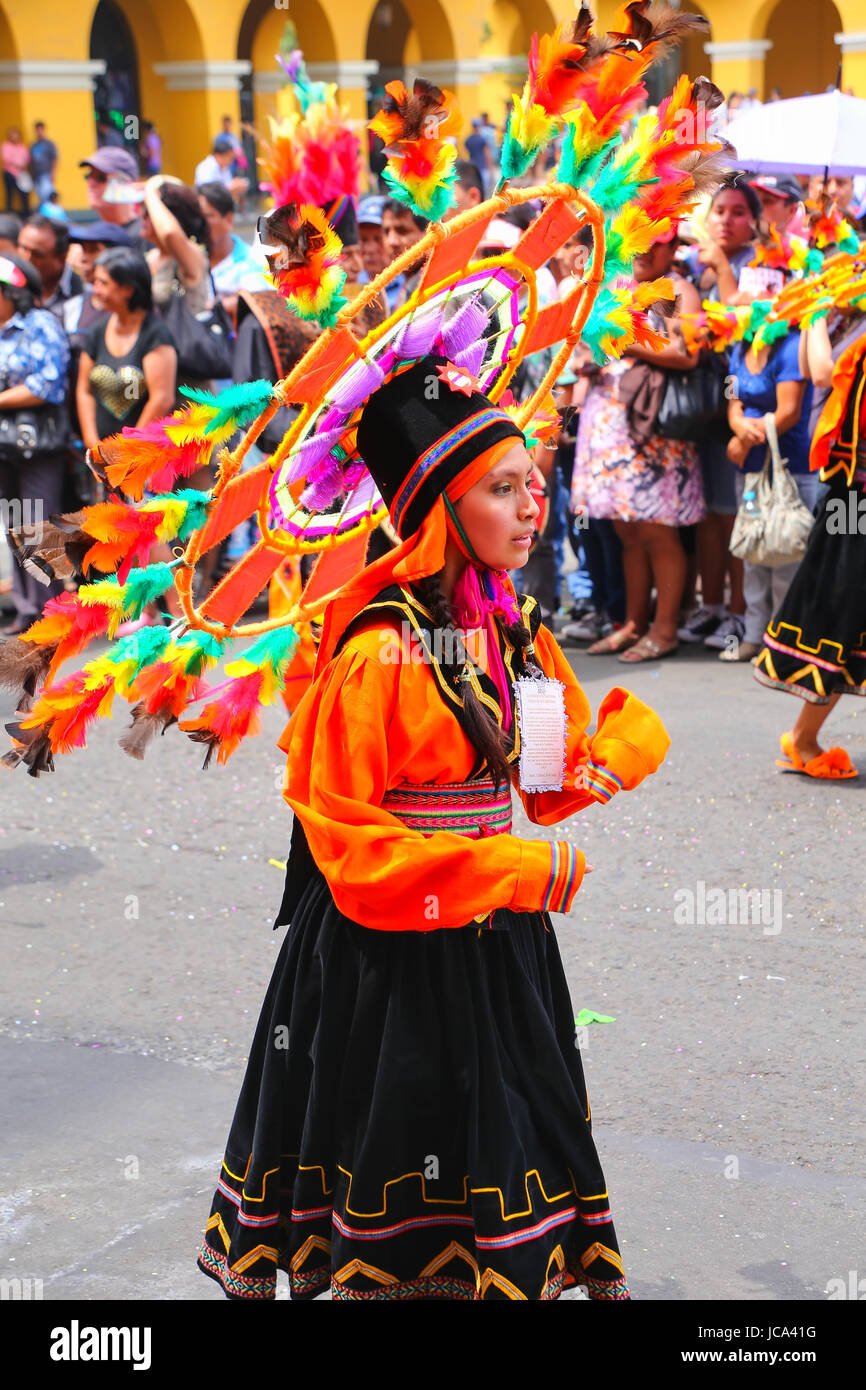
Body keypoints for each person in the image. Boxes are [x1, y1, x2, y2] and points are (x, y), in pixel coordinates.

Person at [196, 352, 671, 1302]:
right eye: (502, 489)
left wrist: (607, 755)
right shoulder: (378, 652)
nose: (533, 506)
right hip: (390, 953)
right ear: (441, 511)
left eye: (535, 484)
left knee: (503, 1133)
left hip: (497, 935)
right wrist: (502, 872)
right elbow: (343, 839)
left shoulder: (512, 624)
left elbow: (543, 778)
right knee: (403, 1150)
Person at [570, 228, 705, 660]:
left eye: (656, 243)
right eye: (639, 241)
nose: (645, 251)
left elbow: (687, 353)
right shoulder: (614, 285)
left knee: (657, 531)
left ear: (672, 248)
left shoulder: (679, 289)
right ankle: (633, 623)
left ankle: (664, 629)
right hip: (610, 425)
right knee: (626, 530)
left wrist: (629, 342)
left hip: (654, 431)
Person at [753, 313, 866, 775]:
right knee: (840, 605)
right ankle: (803, 738)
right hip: (853, 495)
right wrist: (817, 314)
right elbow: (820, 373)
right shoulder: (843, 316)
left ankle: (804, 736)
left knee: (849, 608)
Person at [678, 178, 761, 649]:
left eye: (737, 212)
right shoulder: (691, 265)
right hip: (699, 404)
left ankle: (740, 611)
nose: (726, 220)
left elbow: (742, 322)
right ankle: (710, 605)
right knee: (709, 512)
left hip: (740, 400)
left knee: (733, 512)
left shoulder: (764, 266)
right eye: (719, 211)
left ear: (754, 221)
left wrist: (724, 269)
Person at [725, 326, 819, 663]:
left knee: (785, 556)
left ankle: (781, 640)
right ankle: (753, 636)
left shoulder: (791, 346)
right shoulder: (739, 346)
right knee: (753, 551)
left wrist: (744, 439)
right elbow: (731, 397)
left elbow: (789, 411)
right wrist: (736, 425)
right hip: (749, 473)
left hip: (790, 468)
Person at [0, 252, 71, 634]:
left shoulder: (39, 324)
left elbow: (47, 384)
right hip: (4, 445)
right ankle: (27, 609)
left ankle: (52, 609)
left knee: (37, 522)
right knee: (14, 518)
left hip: (37, 443)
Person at [197, 182, 266, 327]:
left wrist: (219, 307)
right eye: (198, 217)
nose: (201, 224)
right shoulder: (193, 258)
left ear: (228, 219)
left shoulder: (250, 261)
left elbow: (257, 302)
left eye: (208, 216)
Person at [78, 147, 149, 252]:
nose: (91, 183)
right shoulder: (94, 234)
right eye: (89, 176)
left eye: (100, 177)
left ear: (127, 184)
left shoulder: (144, 234)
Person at [17, 215, 82, 320]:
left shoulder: (83, 294)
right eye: (23, 249)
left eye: (37, 254)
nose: (26, 259)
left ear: (61, 259)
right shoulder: (8, 287)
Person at [381, 198, 428, 310]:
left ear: (428, 232)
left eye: (402, 231)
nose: (391, 241)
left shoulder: (438, 286)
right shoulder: (407, 286)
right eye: (387, 232)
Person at [194, 135, 248, 201]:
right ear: (217, 156)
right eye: (229, 157)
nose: (230, 161)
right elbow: (206, 192)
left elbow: (228, 184)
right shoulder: (205, 168)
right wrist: (230, 188)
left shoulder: (224, 168)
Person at [356, 195, 388, 283]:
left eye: (378, 239)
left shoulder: (410, 284)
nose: (370, 249)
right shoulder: (350, 281)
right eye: (363, 240)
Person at [2, 128, 31, 216]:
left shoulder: (22, 146)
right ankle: (9, 212)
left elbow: (27, 158)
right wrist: (18, 165)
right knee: (10, 194)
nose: (14, 137)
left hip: (21, 174)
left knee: (24, 194)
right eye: (12, 134)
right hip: (9, 173)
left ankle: (26, 213)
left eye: (16, 134)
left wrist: (24, 165)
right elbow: (6, 158)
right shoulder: (6, 145)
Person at [29, 123, 58, 205]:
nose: (39, 132)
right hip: (36, 176)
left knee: (48, 196)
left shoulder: (49, 144)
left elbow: (54, 159)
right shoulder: (33, 145)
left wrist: (53, 173)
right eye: (37, 130)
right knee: (40, 197)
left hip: (46, 174)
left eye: (40, 130)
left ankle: (51, 215)